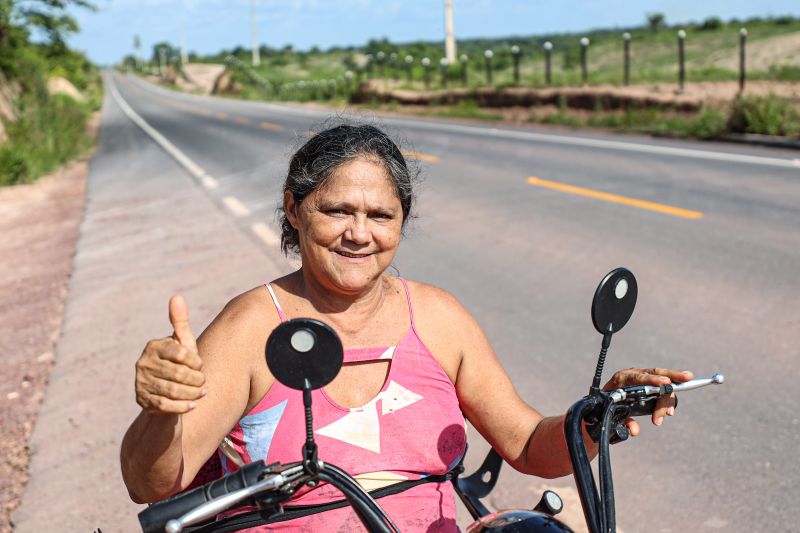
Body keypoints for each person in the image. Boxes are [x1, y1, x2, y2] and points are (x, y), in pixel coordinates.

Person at [120, 123, 692, 531]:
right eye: (337, 211)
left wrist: (599, 414)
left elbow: (527, 445)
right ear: (294, 210)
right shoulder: (250, 328)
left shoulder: (439, 318)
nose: (359, 233)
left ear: (402, 221)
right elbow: (151, 484)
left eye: (380, 215)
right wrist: (161, 409)